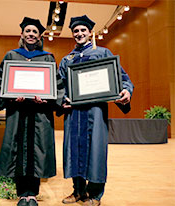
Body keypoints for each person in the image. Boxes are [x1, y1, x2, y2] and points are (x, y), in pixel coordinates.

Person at [59, 15, 134, 206]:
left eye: (83, 30)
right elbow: (59, 86)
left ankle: (94, 195)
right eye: (76, 31)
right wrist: (62, 99)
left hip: (95, 112)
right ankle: (77, 191)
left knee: (96, 151)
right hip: (74, 114)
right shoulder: (67, 60)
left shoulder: (103, 53)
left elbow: (122, 77)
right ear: (72, 34)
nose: (79, 33)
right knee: (74, 150)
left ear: (90, 32)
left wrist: (126, 90)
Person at [0, 17, 64, 206]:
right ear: (22, 34)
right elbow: (1, 82)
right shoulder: (11, 56)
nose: (31, 34)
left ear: (39, 36)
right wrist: (9, 96)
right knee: (18, 149)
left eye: (35, 32)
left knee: (37, 150)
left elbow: (56, 85)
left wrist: (48, 98)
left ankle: (32, 194)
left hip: (39, 113)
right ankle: (21, 194)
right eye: (28, 31)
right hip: (17, 112)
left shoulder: (47, 58)